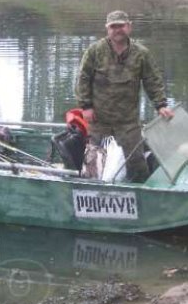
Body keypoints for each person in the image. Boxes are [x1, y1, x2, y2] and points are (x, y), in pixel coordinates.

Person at [75, 10, 174, 182]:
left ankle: (140, 196)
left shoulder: (141, 54)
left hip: (128, 122)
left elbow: (152, 81)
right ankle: (91, 193)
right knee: (93, 166)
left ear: (129, 27)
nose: (117, 30)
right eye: (113, 26)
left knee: (137, 165)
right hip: (98, 121)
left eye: (121, 26)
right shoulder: (95, 51)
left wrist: (161, 105)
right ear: (107, 29)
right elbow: (82, 79)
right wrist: (86, 106)